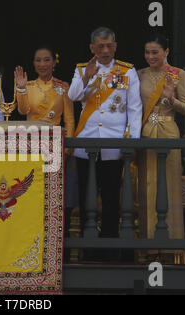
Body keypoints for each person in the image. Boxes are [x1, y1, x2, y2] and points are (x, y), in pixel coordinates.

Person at [68, 27, 143, 243]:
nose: (105, 50)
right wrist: (85, 77)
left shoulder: (127, 71)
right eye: (100, 46)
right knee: (85, 195)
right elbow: (73, 96)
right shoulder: (83, 68)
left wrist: (131, 141)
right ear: (92, 48)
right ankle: (86, 244)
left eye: (109, 45)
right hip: (86, 141)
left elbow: (134, 109)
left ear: (115, 46)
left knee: (111, 195)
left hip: (113, 143)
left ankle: (109, 244)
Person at [14, 46, 76, 259]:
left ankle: (59, 249)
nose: (42, 64)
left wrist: (69, 147)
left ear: (53, 62)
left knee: (57, 199)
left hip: (56, 148)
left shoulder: (63, 87)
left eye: (46, 60)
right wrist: (20, 89)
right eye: (38, 60)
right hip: (31, 147)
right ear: (34, 63)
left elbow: (69, 119)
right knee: (33, 198)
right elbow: (22, 112)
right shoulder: (27, 85)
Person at [137, 33, 185, 240]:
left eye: (155, 52)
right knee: (147, 186)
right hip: (147, 132)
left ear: (166, 52)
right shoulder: (139, 74)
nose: (150, 56)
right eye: (147, 52)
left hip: (168, 132)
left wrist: (171, 99)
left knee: (169, 186)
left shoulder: (178, 74)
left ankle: (172, 244)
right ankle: (147, 242)